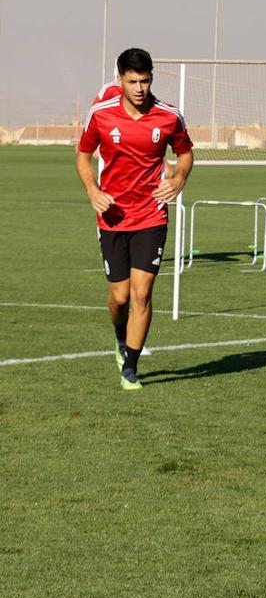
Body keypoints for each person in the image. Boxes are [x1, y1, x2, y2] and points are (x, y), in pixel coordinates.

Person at [74, 47, 194, 390]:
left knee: (142, 294)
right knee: (120, 298)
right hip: (112, 217)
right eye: (132, 81)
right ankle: (119, 335)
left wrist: (179, 179)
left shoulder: (169, 116)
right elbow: (83, 156)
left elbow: (185, 154)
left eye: (144, 80)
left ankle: (131, 365)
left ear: (151, 78)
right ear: (120, 80)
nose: (139, 88)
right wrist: (92, 191)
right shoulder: (101, 114)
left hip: (151, 215)